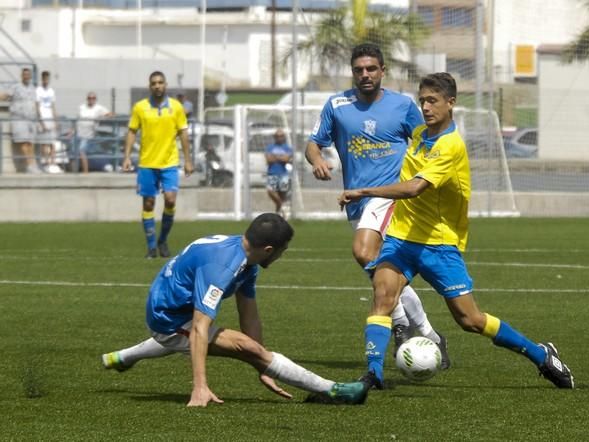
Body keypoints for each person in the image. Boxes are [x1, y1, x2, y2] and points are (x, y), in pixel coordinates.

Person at [339, 73, 575, 390]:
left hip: (438, 245)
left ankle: (541, 355)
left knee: (470, 320)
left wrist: (364, 191)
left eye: (432, 100)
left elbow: (414, 188)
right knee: (383, 296)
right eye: (422, 100)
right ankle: (373, 374)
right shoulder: (420, 134)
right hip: (401, 238)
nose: (425, 106)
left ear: (451, 103)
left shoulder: (450, 145)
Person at [102, 213, 369, 406]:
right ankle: (333, 390)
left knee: (254, 351)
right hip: (168, 319)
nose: (281, 256)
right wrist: (200, 387)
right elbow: (198, 327)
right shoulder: (223, 268)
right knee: (241, 346)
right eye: (282, 251)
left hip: (171, 303)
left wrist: (262, 364)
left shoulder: (247, 258)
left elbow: (248, 312)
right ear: (268, 249)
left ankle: (123, 357)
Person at [305, 43, 448, 364]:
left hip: (388, 198)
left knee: (363, 252)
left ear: (383, 71)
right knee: (385, 272)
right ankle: (428, 334)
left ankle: (399, 323)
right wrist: (317, 160)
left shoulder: (402, 106)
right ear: (353, 73)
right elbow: (313, 143)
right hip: (357, 201)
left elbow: (427, 142)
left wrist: (424, 180)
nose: (365, 75)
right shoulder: (337, 104)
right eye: (359, 70)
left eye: (371, 69)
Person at [123, 71, 194, 259]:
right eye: (154, 83)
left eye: (160, 82)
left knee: (170, 199)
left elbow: (184, 134)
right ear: (149, 86)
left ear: (166, 84)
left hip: (170, 162)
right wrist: (127, 156)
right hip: (147, 163)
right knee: (148, 203)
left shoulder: (177, 107)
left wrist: (187, 160)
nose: (157, 86)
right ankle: (152, 247)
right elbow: (131, 131)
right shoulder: (140, 107)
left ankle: (162, 240)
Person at [0, 67, 40, 173]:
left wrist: (39, 119)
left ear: (30, 76)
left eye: (28, 75)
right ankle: (30, 165)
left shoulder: (32, 88)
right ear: (22, 76)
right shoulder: (16, 87)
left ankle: (32, 164)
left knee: (30, 142)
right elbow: (4, 96)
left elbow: (36, 104)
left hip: (31, 119)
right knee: (23, 142)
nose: (26, 76)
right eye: (24, 74)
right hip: (19, 119)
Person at [76, 92, 113, 173]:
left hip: (88, 135)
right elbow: (77, 120)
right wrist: (71, 131)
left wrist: (100, 118)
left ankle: (85, 172)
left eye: (93, 98)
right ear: (87, 99)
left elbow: (110, 114)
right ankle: (77, 170)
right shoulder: (82, 107)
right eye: (89, 98)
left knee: (81, 151)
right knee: (76, 152)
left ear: (95, 99)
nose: (91, 100)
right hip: (79, 133)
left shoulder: (98, 108)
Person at [35, 70, 60, 173]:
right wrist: (41, 122)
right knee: (44, 143)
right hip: (43, 119)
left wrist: (56, 120)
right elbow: (36, 106)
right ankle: (46, 163)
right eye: (44, 79)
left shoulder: (51, 91)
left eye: (47, 79)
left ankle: (53, 163)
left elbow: (53, 106)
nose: (46, 81)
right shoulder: (38, 90)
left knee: (52, 143)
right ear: (42, 79)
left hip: (50, 119)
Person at [265, 129, 293, 217]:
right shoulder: (270, 147)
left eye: (281, 136)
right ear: (274, 137)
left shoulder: (287, 148)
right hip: (272, 173)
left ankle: (278, 216)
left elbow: (287, 159)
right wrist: (281, 157)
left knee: (282, 195)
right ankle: (282, 207)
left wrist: (275, 157)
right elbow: (268, 160)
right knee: (270, 191)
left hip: (283, 174)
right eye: (277, 136)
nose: (279, 138)